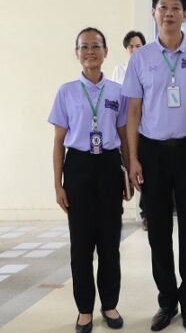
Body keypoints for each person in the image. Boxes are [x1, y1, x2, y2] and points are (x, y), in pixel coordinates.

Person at [122, 0, 186, 332]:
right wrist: (133, 159)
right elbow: (133, 112)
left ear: (184, 14)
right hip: (152, 152)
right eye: (163, 7)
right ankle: (167, 301)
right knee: (158, 232)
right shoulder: (141, 58)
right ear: (154, 13)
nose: (169, 13)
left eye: (175, 8)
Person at [49, 27, 129, 333]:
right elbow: (58, 142)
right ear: (77, 53)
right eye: (84, 47)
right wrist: (58, 184)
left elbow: (123, 136)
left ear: (106, 52)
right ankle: (84, 309)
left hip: (108, 166)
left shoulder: (117, 92)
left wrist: (127, 173)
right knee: (81, 245)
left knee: (110, 243)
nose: (90, 51)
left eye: (96, 46)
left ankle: (109, 304)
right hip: (78, 167)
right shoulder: (66, 92)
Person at [111, 30, 148, 230]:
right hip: (124, 128)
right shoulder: (119, 70)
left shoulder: (148, 67)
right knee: (126, 167)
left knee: (146, 171)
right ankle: (118, 209)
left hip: (144, 127)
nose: (134, 49)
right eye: (131, 46)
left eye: (138, 46)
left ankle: (146, 213)